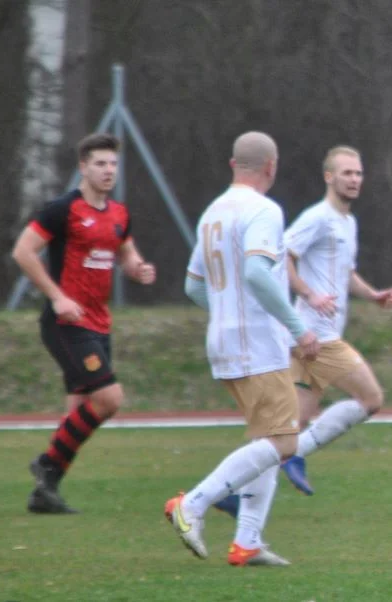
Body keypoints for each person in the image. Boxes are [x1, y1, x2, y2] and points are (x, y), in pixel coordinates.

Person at [209, 146, 392, 519]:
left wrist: (373, 295)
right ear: (329, 177)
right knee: (371, 398)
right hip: (316, 335)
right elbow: (283, 257)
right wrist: (309, 293)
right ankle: (293, 460)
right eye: (346, 173)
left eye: (358, 173)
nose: (354, 179)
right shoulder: (318, 218)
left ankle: (229, 491)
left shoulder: (347, 223)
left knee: (283, 432)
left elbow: (345, 272)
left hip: (313, 338)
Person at [166, 131, 321, 567]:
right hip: (257, 343)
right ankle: (192, 504)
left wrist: (226, 314)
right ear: (271, 167)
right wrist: (297, 328)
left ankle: (248, 541)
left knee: (266, 437)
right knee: (285, 443)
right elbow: (256, 273)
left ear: (234, 164)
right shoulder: (264, 210)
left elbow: (193, 285)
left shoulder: (213, 212)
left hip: (223, 339)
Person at [12, 132, 156, 514]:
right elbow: (23, 252)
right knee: (109, 399)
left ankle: (45, 491)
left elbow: (125, 254)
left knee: (76, 412)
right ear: (83, 167)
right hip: (66, 323)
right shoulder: (62, 209)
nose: (109, 170)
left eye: (112, 163)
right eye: (100, 164)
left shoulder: (119, 214)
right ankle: (46, 464)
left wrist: (138, 269)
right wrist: (57, 297)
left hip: (99, 323)